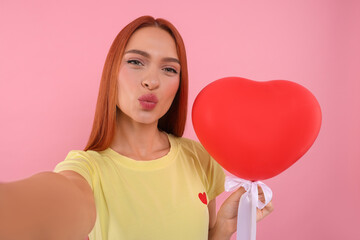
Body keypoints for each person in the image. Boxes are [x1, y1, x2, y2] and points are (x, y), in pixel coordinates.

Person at [0, 16, 273, 240]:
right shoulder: (88, 170)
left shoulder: (199, 157)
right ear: (112, 73)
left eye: (169, 69)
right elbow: (45, 205)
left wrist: (224, 227)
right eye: (135, 62)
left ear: (179, 85)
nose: (151, 81)